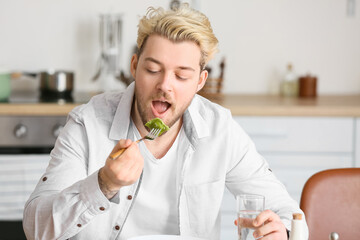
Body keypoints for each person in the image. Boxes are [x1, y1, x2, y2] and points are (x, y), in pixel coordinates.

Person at [23, 3, 308, 240]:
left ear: (200, 81)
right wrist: (104, 183)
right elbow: (36, 228)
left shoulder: (220, 129)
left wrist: (280, 230)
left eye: (182, 76)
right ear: (134, 67)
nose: (164, 86)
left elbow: (289, 214)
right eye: (152, 69)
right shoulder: (88, 124)